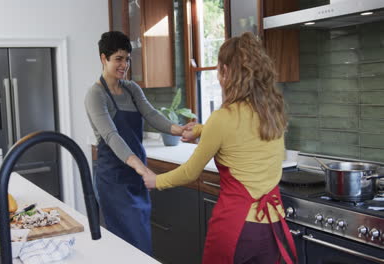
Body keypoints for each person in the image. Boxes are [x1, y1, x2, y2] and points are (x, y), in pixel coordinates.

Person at [142, 32, 297, 264]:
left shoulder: (223, 118)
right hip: (272, 226)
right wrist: (200, 130)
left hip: (236, 228)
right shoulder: (272, 112)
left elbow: (190, 173)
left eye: (218, 70)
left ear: (226, 71)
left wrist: (156, 181)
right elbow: (242, 133)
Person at [85, 31, 192, 256]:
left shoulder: (132, 89)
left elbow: (152, 115)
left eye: (127, 59)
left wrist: (178, 129)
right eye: (118, 59)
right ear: (103, 58)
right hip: (114, 181)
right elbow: (112, 136)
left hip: (136, 179)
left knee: (141, 240)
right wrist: (140, 166)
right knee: (125, 245)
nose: (124, 65)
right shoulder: (96, 95)